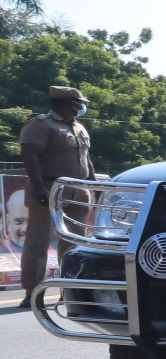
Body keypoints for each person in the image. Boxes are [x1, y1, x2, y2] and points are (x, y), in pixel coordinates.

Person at [16, 85, 94, 304]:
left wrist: (94, 185)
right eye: (79, 103)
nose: (82, 107)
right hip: (49, 186)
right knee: (37, 241)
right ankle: (32, 291)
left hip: (78, 190)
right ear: (68, 104)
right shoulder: (40, 125)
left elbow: (86, 160)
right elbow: (30, 157)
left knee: (74, 243)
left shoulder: (79, 127)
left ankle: (69, 289)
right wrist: (40, 188)